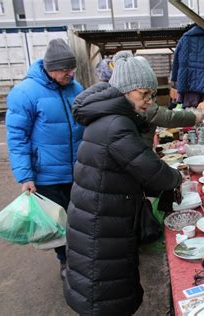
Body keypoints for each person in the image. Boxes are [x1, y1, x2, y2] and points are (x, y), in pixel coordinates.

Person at [64, 51, 183, 315]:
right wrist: (176, 177)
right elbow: (151, 170)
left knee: (104, 294)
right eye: (144, 95)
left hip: (101, 219)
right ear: (125, 92)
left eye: (152, 95)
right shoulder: (116, 124)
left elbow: (131, 169)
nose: (149, 102)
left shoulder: (111, 119)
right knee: (105, 297)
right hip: (100, 227)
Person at [6, 38, 84, 276]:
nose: (69, 73)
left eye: (72, 68)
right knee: (56, 224)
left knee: (80, 219)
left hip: (78, 170)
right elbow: (17, 138)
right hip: (47, 174)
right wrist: (25, 176)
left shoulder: (76, 88)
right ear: (50, 68)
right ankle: (64, 261)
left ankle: (82, 259)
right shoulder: (24, 93)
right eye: (64, 70)